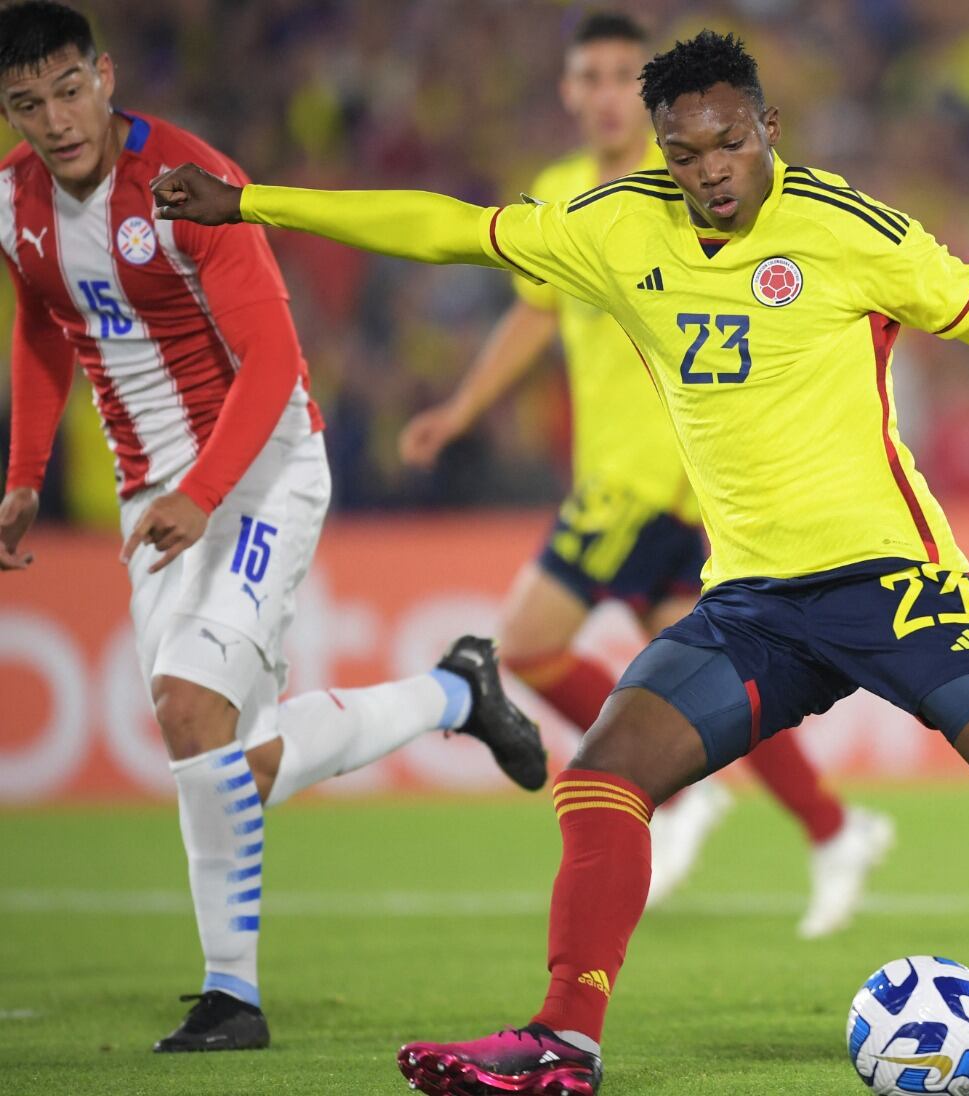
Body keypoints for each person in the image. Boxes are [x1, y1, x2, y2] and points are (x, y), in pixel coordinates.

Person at [151, 30, 969, 1095]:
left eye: (730, 140)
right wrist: (255, 200)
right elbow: (445, 225)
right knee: (605, 777)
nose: (710, 168)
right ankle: (563, 1042)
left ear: (767, 129)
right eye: (687, 150)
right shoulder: (616, 228)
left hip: (892, 583)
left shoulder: (854, 232)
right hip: (754, 606)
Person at [0, 0, 547, 1052]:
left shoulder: (187, 184)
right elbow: (38, 320)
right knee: (228, 762)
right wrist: (26, 472)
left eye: (71, 89)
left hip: (259, 468)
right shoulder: (16, 204)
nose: (57, 119)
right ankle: (453, 689)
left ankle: (233, 998)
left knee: (188, 707)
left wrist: (203, 494)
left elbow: (276, 366)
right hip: (149, 493)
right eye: (29, 103)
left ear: (106, 77)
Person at [397, 12, 892, 937]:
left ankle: (672, 788)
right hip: (612, 472)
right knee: (720, 687)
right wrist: (463, 409)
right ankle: (833, 826)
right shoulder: (564, 197)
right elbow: (538, 318)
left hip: (655, 479)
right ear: (568, 92)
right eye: (587, 77)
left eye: (622, 76)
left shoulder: (690, 196)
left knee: (530, 645)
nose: (602, 94)